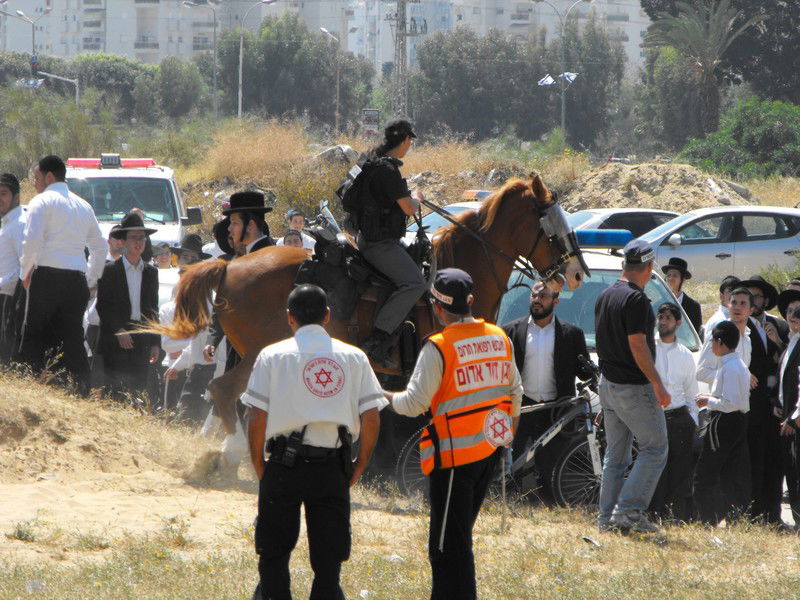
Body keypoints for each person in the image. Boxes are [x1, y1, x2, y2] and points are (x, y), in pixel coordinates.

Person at [385, 268, 523, 600]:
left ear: (437, 306)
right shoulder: (498, 336)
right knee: (459, 539)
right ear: (471, 301)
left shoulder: (439, 347)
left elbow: (414, 404)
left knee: (446, 548)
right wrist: (503, 441)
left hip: (452, 461)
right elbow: (515, 392)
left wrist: (382, 396)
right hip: (487, 454)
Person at [242, 284, 385, 600]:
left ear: (290, 317)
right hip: (332, 465)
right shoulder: (354, 357)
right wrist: (359, 463)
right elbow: (372, 416)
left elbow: (256, 415)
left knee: (274, 552)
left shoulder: (272, 356)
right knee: (329, 557)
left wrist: (258, 463)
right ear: (328, 316)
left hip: (281, 464)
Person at [594, 239, 669, 534]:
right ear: (650, 267)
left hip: (608, 385)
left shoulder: (606, 295)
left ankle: (606, 519)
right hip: (633, 388)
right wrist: (658, 384)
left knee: (616, 456)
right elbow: (638, 346)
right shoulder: (637, 300)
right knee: (655, 448)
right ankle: (628, 512)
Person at [18, 155, 107, 394]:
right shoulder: (83, 205)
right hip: (76, 280)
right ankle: (81, 391)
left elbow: (31, 241)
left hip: (46, 277)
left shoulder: (41, 201)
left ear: (49, 176)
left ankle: (34, 388)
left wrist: (25, 272)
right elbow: (101, 247)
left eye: (37, 178)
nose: (35, 183)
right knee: (73, 340)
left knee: (36, 335)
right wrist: (89, 279)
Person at [502, 280, 592, 476]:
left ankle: (547, 500)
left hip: (556, 410)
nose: (537, 300)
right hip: (522, 409)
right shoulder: (510, 331)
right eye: (534, 296)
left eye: (543, 296)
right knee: (514, 467)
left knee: (551, 468)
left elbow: (584, 371)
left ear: (555, 302)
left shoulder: (572, 334)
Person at [358, 119, 428, 367]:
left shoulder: (373, 162)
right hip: (380, 244)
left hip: (369, 238)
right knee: (415, 282)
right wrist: (417, 198)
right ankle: (378, 339)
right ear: (406, 140)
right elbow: (409, 208)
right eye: (410, 141)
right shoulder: (388, 171)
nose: (410, 146)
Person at [96, 213, 161, 400]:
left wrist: (155, 342)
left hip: (141, 336)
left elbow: (152, 309)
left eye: (142, 238)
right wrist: (119, 329)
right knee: (115, 391)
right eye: (133, 237)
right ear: (123, 241)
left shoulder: (151, 272)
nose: (138, 242)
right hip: (116, 337)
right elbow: (103, 305)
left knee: (137, 390)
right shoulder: (110, 270)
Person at [693, 321, 751, 526]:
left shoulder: (731, 367)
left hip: (725, 423)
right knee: (729, 473)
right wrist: (710, 397)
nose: (711, 346)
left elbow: (731, 403)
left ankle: (707, 521)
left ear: (720, 342)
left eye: (712, 342)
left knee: (705, 475)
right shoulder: (734, 365)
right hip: (733, 422)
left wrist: (707, 400)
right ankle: (730, 519)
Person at [737, 276, 784, 524]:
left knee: (774, 463)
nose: (753, 301)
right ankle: (753, 515)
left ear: (765, 300)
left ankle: (773, 515)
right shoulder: (741, 327)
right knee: (753, 461)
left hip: (774, 406)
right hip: (752, 406)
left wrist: (777, 341)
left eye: (757, 297)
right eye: (748, 297)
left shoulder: (779, 325)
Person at [648, 302, 699, 522]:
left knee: (680, 471)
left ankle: (677, 516)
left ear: (678, 323)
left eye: (668, 318)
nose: (664, 321)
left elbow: (691, 394)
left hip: (679, 418)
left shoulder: (686, 355)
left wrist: (693, 422)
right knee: (655, 469)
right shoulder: (648, 348)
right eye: (661, 317)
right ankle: (653, 513)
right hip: (653, 416)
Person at [696, 287, 753, 385]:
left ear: (751, 310)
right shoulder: (719, 335)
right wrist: (735, 376)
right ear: (728, 305)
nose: (737, 307)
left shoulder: (747, 339)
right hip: (719, 399)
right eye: (734, 303)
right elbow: (701, 373)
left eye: (742, 303)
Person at [778, 300, 800, 529]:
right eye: (791, 313)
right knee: (792, 473)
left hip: (796, 419)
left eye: (798, 315)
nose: (793, 318)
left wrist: (794, 418)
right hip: (787, 414)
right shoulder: (791, 342)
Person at [0, 174, 25, 363]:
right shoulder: (7, 223)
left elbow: (24, 266)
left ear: (16, 196)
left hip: (12, 296)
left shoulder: (20, 223)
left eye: (3, 194)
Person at [661, 257, 702, 337]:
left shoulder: (693, 306)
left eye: (675, 275)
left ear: (683, 280)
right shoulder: (658, 305)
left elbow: (697, 336)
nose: (670, 278)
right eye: (668, 275)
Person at [224, 191, 273, 255]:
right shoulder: (268, 251)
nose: (229, 228)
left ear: (250, 225)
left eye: (234, 223)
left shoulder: (259, 258)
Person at [702, 275, 740, 339]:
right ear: (721, 296)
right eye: (731, 291)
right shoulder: (719, 321)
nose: (735, 296)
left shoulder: (742, 320)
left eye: (738, 292)